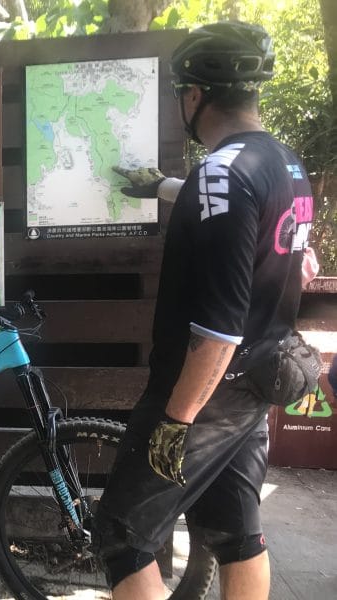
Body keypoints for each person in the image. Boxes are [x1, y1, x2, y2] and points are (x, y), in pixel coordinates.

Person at [96, 21, 315, 600]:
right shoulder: (287, 164)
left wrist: (177, 420)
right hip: (257, 382)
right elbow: (252, 223)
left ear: (194, 96)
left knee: (122, 536)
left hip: (204, 389)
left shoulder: (221, 171)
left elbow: (219, 328)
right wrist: (163, 186)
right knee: (235, 532)